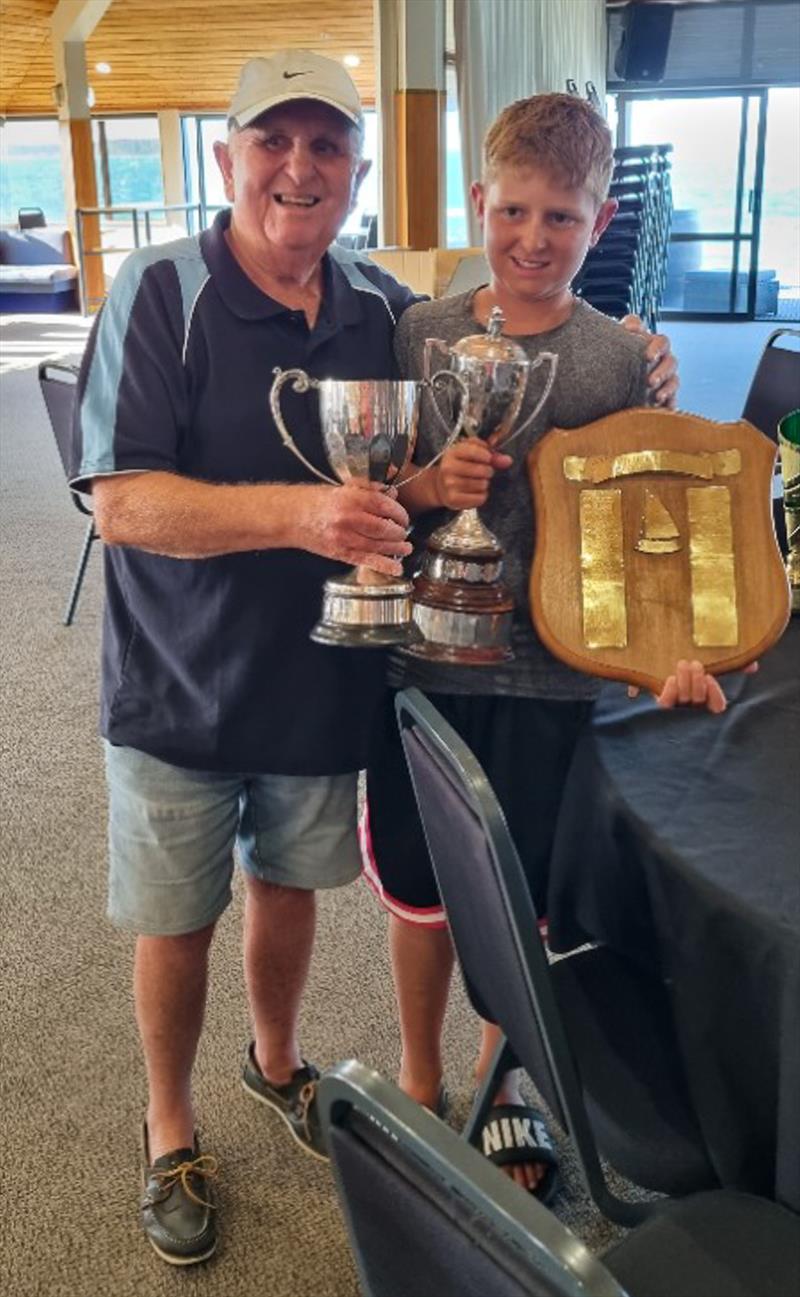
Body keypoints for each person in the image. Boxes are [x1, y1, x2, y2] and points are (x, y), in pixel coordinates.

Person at [68, 50, 419, 1266]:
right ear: (228, 160)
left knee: (287, 885)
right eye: (273, 140)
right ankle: (170, 1127)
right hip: (176, 680)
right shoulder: (159, 291)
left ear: (355, 172)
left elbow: (443, 437)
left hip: (320, 676)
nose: (298, 167)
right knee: (175, 917)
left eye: (326, 145)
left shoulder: (378, 308)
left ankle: (275, 1063)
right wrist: (300, 515)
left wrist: (635, 360)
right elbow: (120, 504)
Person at [361, 92, 722, 1201]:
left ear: (599, 222)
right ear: (479, 201)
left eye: (558, 218)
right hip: (426, 659)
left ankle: (499, 1083)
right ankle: (420, 1083)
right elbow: (378, 494)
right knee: (421, 895)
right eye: (511, 210)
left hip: (559, 682)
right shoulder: (418, 332)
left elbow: (650, 532)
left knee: (524, 906)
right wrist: (427, 488)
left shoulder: (621, 359)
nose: (529, 238)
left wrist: (676, 646)